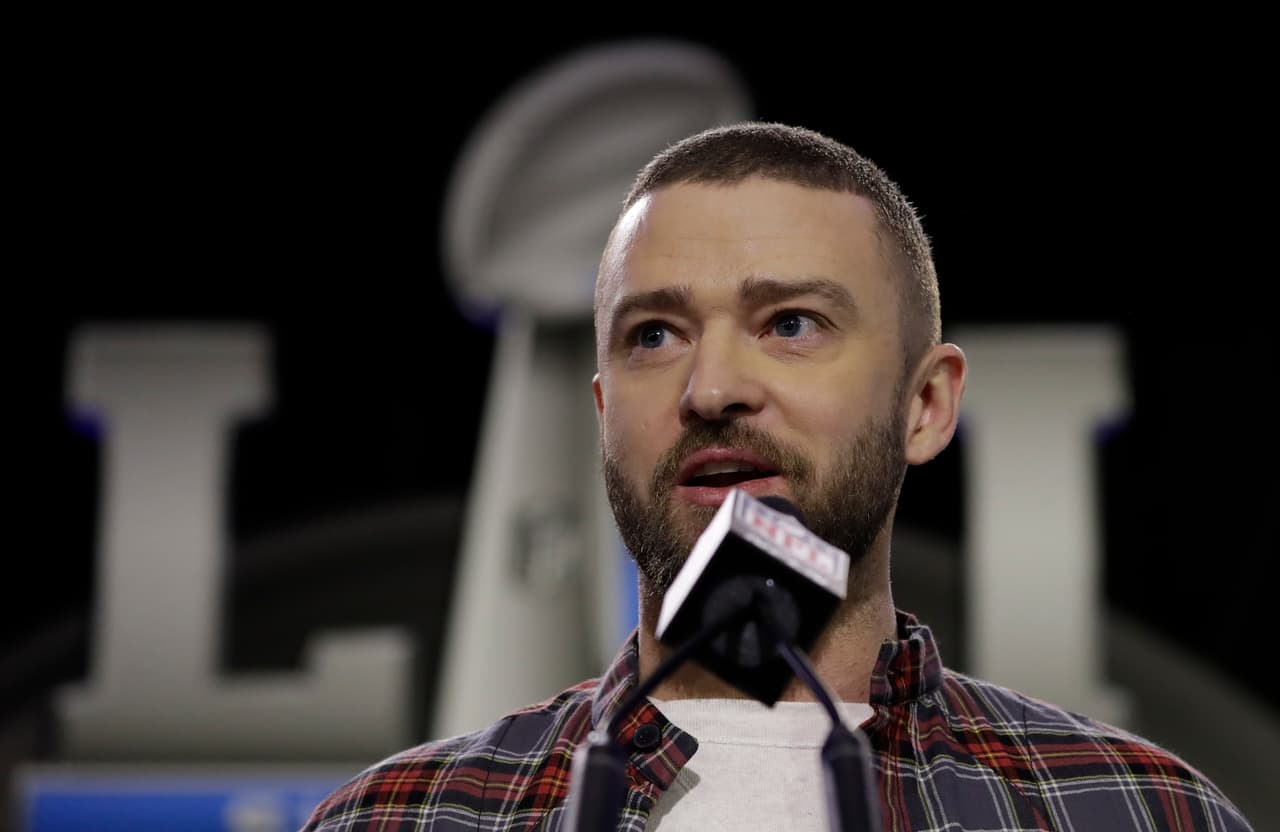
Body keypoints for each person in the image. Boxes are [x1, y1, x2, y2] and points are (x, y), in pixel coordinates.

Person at [300, 122, 1252, 831]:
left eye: (791, 324)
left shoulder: (1138, 810)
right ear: (602, 414)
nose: (712, 388)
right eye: (654, 336)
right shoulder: (402, 818)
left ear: (926, 405)